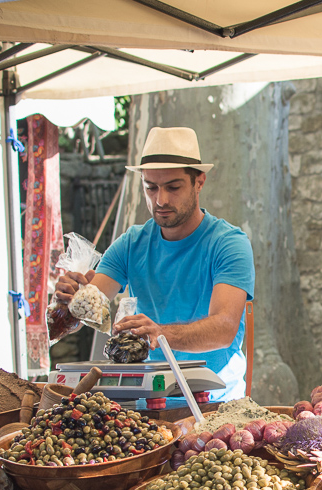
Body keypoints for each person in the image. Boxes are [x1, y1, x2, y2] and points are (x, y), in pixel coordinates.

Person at [54, 126, 255, 399]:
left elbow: (223, 329)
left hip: (216, 403)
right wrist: (71, 304)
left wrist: (161, 334)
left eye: (173, 187)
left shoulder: (228, 243)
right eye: (151, 187)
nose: (161, 199)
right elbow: (88, 306)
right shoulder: (131, 243)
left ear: (199, 182)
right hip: (147, 401)